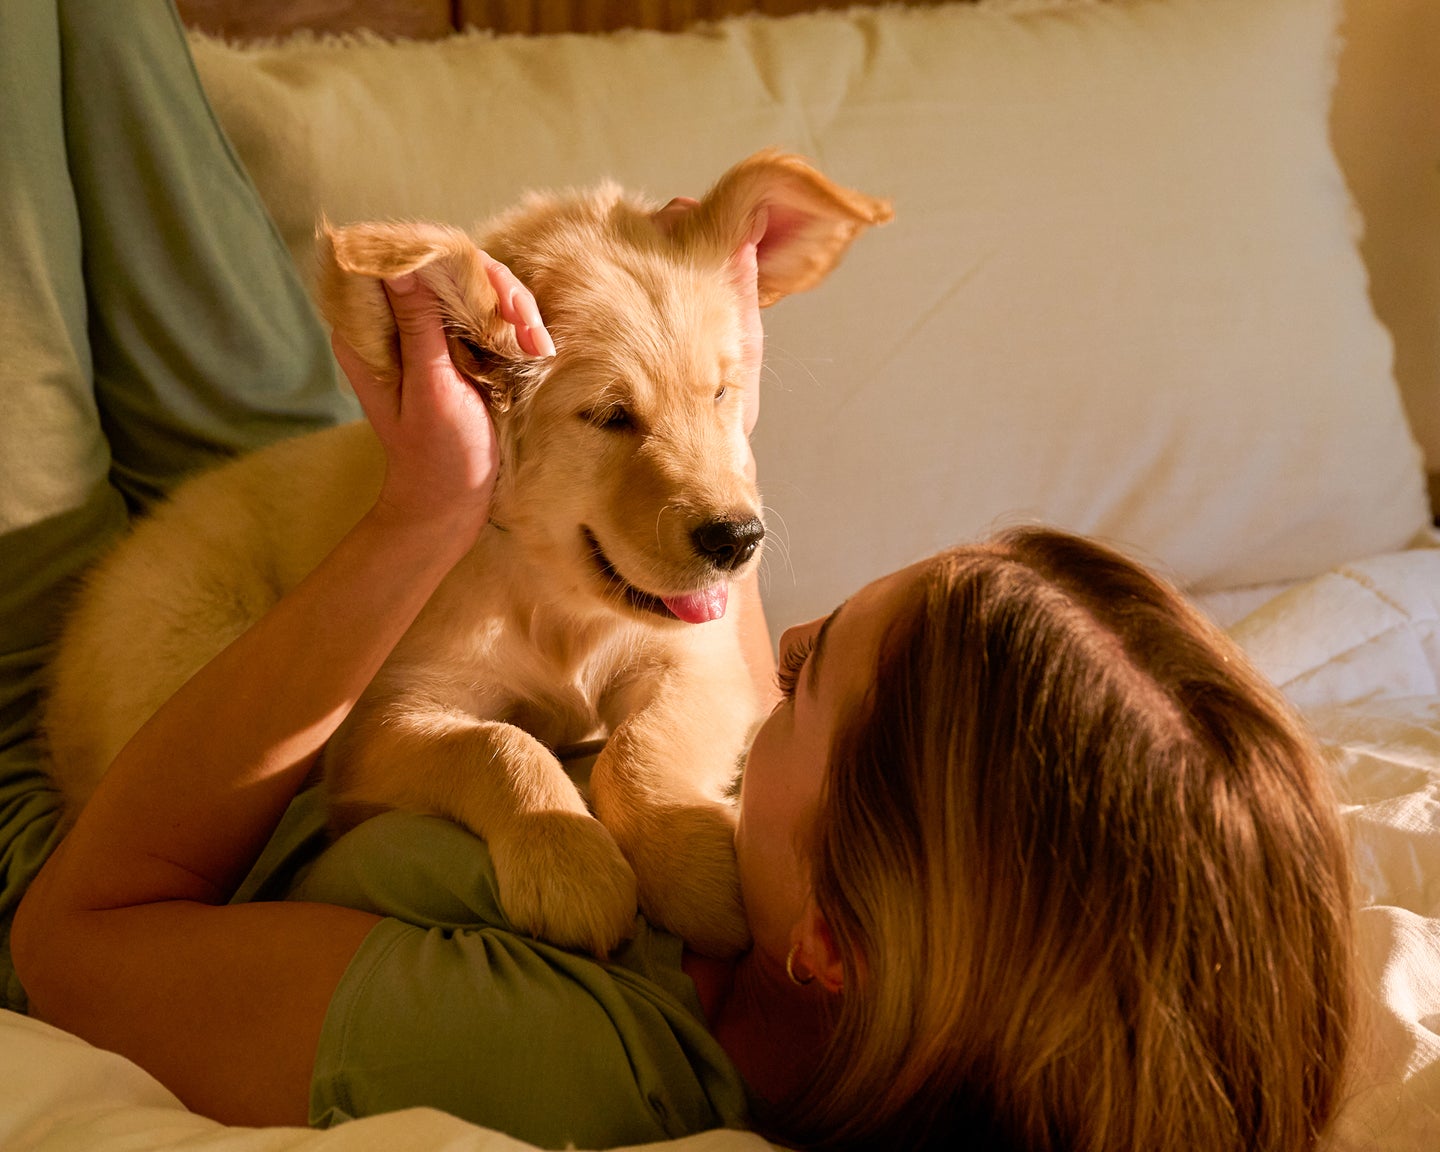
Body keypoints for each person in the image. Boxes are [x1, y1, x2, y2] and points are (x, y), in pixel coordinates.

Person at [3, 3, 1355, 1150]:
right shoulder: (814, 917)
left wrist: (424, 520)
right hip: (316, 515)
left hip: (101, 770)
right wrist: (706, 358)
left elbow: (82, 939)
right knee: (117, 51)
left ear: (832, 946)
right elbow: (703, 605)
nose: (782, 637)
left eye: (809, 678)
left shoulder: (563, 1052)